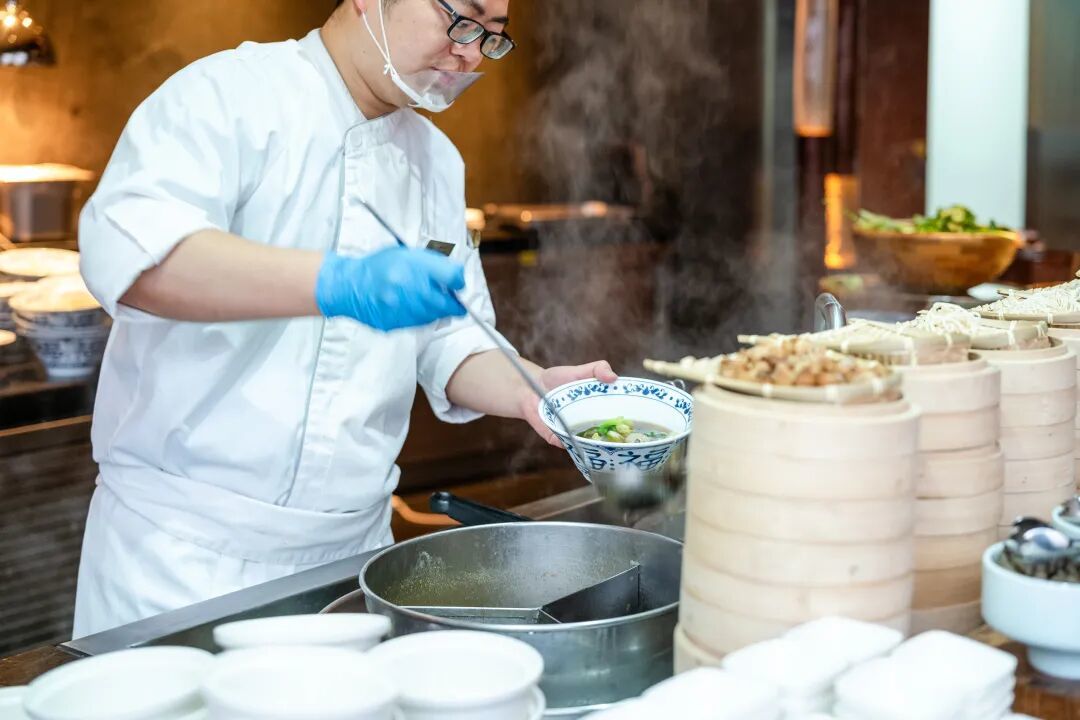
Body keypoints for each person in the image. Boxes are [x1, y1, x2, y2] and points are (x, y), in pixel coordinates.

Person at [72, 0, 616, 638]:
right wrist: (339, 284)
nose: (471, 53)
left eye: (492, 37)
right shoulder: (228, 95)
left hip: (351, 563)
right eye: (462, 20)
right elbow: (135, 261)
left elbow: (449, 337)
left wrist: (532, 387)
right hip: (182, 562)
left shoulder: (436, 161)